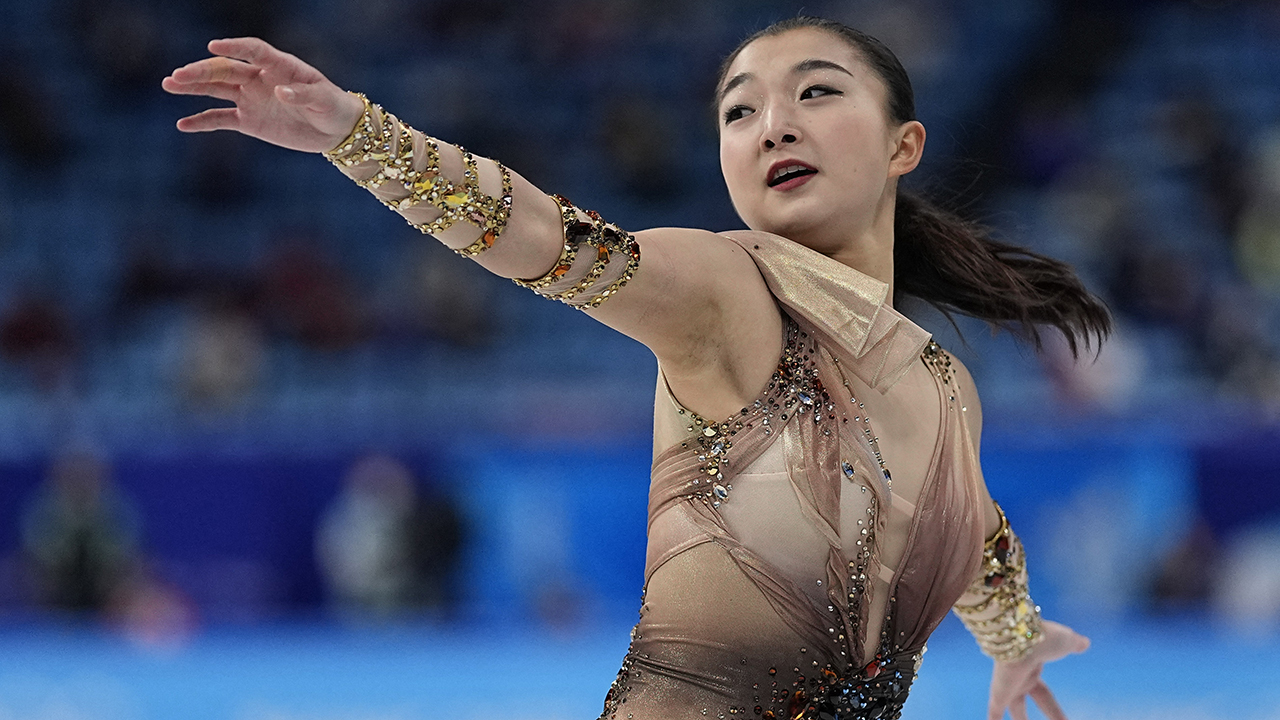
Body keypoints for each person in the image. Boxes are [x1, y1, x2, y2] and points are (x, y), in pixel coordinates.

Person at [162, 16, 1104, 720]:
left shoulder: (942, 383)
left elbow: (970, 533)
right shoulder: (726, 289)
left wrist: (1017, 640)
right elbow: (541, 235)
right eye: (741, 111)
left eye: (816, 93)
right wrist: (354, 133)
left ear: (905, 144)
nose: (773, 126)